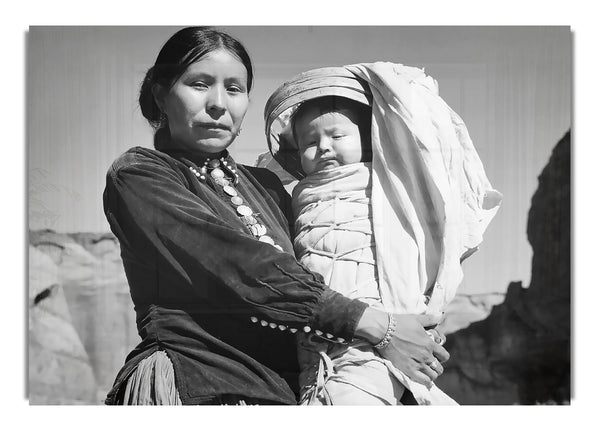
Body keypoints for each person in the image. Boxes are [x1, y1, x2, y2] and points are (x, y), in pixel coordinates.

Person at [102, 27, 449, 405]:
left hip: (289, 394)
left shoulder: (266, 185)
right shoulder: (141, 174)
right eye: (199, 84)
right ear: (161, 94)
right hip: (199, 385)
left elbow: (327, 261)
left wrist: (408, 318)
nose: (219, 103)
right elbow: (240, 265)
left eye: (234, 89)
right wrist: (379, 326)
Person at [263, 64, 502, 405]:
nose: (324, 147)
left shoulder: (387, 183)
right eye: (310, 141)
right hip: (329, 336)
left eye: (337, 136)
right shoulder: (298, 194)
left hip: (388, 316)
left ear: (369, 138)